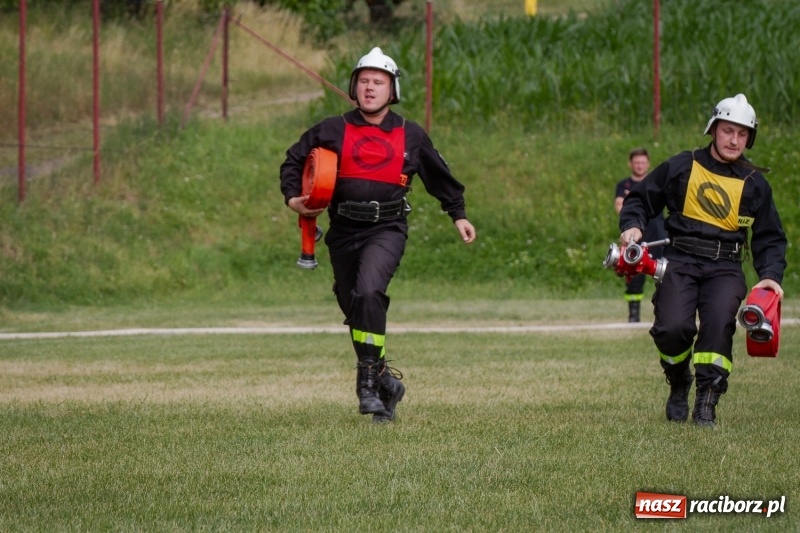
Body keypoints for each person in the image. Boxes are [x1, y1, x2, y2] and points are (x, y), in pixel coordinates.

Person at [280, 47, 476, 422]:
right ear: (354, 87)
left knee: (369, 291)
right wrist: (293, 199)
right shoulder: (331, 128)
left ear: (392, 90)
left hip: (386, 228)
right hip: (342, 230)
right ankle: (387, 382)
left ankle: (367, 384)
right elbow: (293, 159)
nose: (370, 88)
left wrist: (458, 214)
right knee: (354, 304)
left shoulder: (411, 134)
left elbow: (440, 176)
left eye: (378, 82)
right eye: (364, 81)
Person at [618, 94, 787, 428]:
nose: (734, 140)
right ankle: (679, 379)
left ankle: (707, 400)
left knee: (718, 327)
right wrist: (633, 225)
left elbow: (770, 236)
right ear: (713, 130)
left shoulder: (755, 184)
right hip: (679, 260)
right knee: (672, 328)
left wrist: (770, 275)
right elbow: (641, 197)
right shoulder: (682, 166)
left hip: (726, 267)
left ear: (749, 138)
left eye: (742, 134)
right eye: (727, 131)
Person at [614, 148, 667, 322]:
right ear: (630, 164)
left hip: (659, 235)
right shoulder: (624, 185)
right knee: (633, 274)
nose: (640, 165)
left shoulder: (656, 183)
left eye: (643, 162)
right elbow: (620, 207)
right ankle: (633, 316)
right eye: (636, 162)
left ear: (648, 164)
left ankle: (664, 313)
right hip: (635, 237)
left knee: (663, 273)